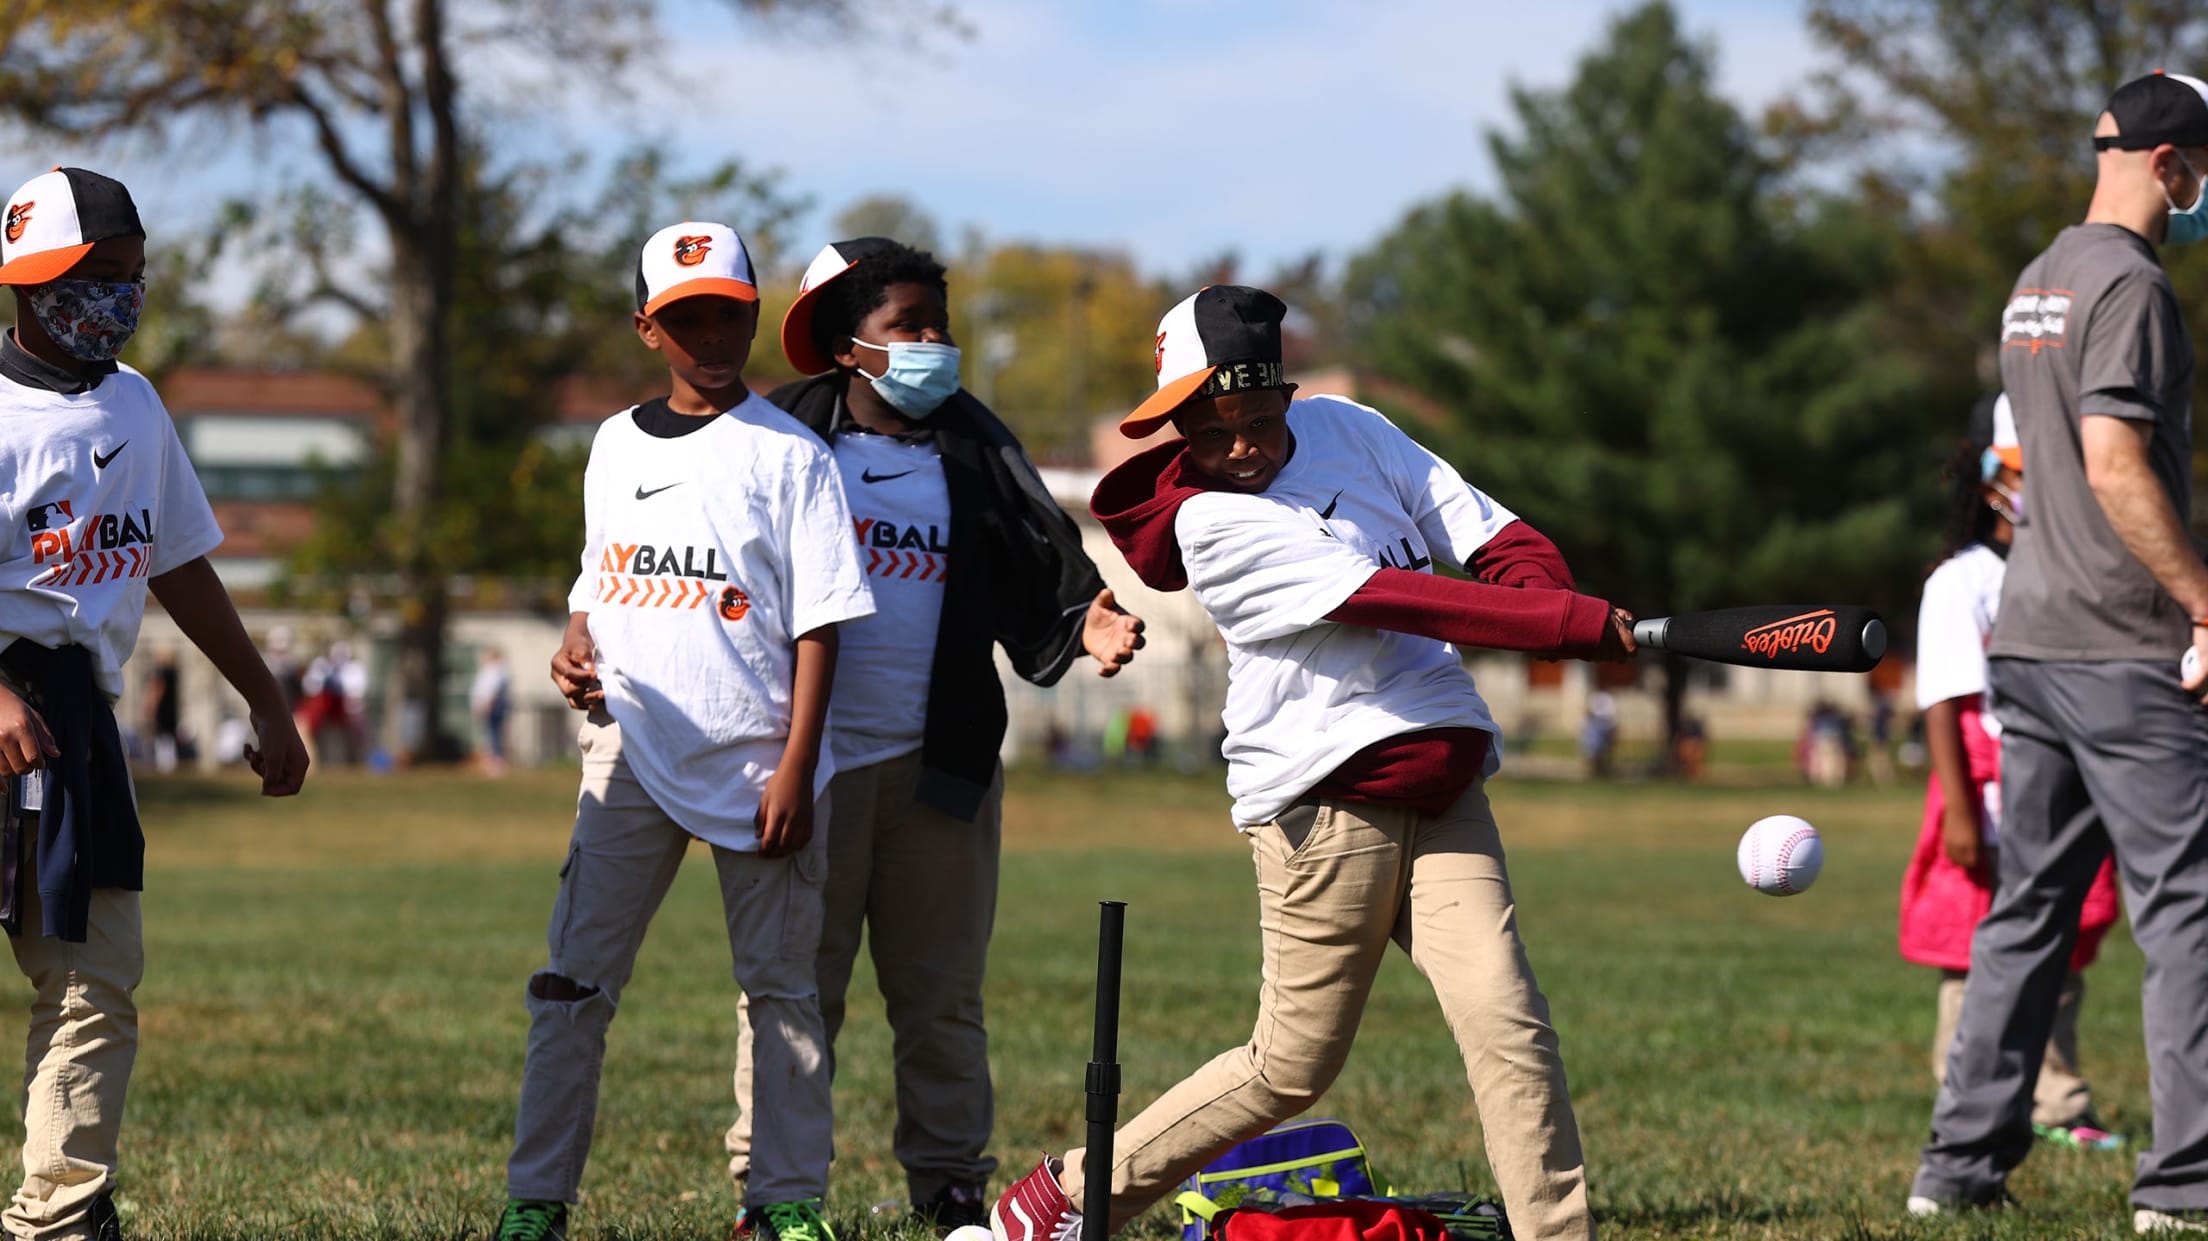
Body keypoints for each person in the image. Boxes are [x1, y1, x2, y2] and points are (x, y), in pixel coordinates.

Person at [993, 285, 1636, 1241]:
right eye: (1214, 430)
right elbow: (1395, 599)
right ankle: (1065, 1197)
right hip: (1323, 803)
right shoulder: (1210, 525)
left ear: (1288, 396)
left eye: (1259, 418)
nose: (1243, 446)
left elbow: (1485, 530)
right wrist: (1564, 624)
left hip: (1443, 781)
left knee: (1510, 1022)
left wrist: (1540, 585)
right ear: (1176, 427)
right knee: (1289, 1066)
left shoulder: (1347, 425)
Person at [724, 238, 1143, 1232]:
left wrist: (1086, 622)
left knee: (942, 998)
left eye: (938, 327)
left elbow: (1039, 570)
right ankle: (773, 1187)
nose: (931, 347)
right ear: (844, 345)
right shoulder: (776, 442)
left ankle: (950, 1176)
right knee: (792, 993)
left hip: (940, 769)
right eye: (905, 327)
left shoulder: (975, 451)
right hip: (808, 769)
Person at [496, 221, 875, 1241]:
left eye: (729, 314)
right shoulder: (614, 443)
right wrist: (576, 642)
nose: (711, 333)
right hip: (629, 746)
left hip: (762, 758)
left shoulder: (793, 455)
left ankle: (784, 1198)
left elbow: (822, 619)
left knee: (781, 992)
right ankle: (537, 1196)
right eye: (687, 316)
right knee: (572, 981)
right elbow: (599, 579)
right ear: (647, 327)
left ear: (752, 317)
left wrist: (798, 759)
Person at [1906, 73, 2208, 1233]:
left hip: (2028, 640)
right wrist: (2200, 603)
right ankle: (2184, 1184)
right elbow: (2117, 465)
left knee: (2027, 909)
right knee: (2185, 910)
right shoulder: (2133, 284)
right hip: (2120, 643)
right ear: (2171, 163)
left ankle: (1957, 1165)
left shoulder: (2040, 279)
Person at [0, 166, 309, 1241]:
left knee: (94, 981)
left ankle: (61, 1210)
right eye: (98, 276)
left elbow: (178, 563)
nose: (120, 298)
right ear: (32, 283)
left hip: (77, 720)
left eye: (133, 276)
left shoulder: (134, 402)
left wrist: (266, 700)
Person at [1898, 394, 2123, 1155]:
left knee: (2056, 950)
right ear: (1994, 477)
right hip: (1987, 797)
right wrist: (1961, 814)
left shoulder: (2062, 573)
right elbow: (1943, 704)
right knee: (1974, 954)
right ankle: (1963, 1099)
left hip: (2059, 789)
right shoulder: (1959, 582)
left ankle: (2058, 1101)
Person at [470, 646, 512, 777]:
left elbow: (492, 690)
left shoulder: (496, 670)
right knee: (490, 734)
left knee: (493, 735)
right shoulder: (490, 670)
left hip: (492, 707)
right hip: (488, 706)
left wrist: (486, 705)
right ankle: (491, 760)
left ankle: (495, 763)